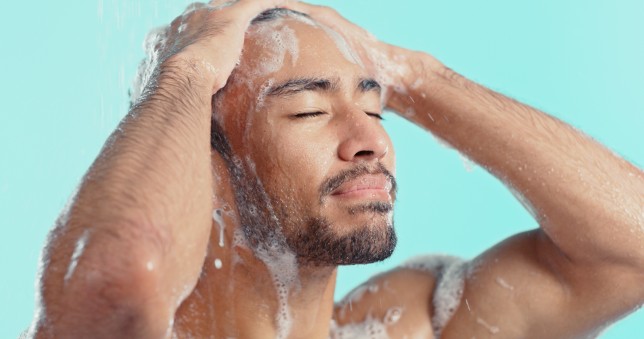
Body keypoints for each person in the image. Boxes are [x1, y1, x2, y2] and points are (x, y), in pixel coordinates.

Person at [26, 1, 643, 338]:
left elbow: (631, 249)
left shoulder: (407, 327)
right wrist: (186, 75)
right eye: (310, 110)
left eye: (375, 107)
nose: (370, 138)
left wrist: (411, 76)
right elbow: (114, 278)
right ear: (211, 172)